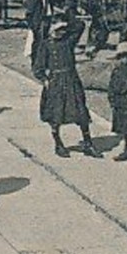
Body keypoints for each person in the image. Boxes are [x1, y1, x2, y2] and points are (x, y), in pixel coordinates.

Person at [35, 14, 96, 159]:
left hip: (71, 80)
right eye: (58, 29)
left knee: (81, 112)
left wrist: (65, 19)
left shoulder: (68, 41)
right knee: (55, 115)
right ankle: (58, 144)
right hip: (55, 82)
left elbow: (80, 25)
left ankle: (88, 143)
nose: (61, 32)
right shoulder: (45, 45)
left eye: (63, 29)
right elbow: (38, 68)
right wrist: (44, 79)